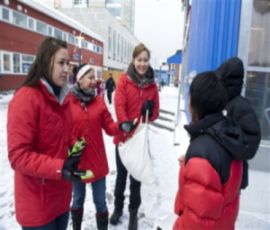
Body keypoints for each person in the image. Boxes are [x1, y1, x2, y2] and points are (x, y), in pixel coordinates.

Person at [7, 37, 84, 230]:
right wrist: (60, 167)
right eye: (61, 63)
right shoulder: (26, 99)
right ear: (45, 61)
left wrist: (75, 147)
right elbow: (18, 156)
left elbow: (64, 137)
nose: (67, 69)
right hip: (37, 206)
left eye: (68, 63)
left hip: (61, 199)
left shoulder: (63, 99)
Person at [174, 71, 247, 229]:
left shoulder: (203, 153)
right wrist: (190, 163)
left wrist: (195, 163)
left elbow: (197, 223)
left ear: (197, 103)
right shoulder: (227, 134)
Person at [68, 64, 132, 230]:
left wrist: (121, 126)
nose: (94, 81)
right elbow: (64, 129)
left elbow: (109, 127)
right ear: (80, 80)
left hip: (97, 161)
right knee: (77, 199)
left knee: (100, 202)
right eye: (90, 77)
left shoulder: (99, 102)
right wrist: (73, 143)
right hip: (77, 162)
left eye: (94, 77)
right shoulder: (69, 102)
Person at [110, 43, 159, 230]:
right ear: (133, 59)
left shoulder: (152, 86)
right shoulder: (124, 80)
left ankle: (133, 214)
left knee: (136, 180)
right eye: (139, 59)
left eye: (145, 60)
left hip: (139, 140)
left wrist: (149, 110)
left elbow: (155, 112)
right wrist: (123, 121)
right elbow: (119, 103)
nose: (142, 63)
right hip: (123, 139)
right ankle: (118, 208)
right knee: (121, 178)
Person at [215, 57, 261, 189]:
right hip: (215, 172)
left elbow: (250, 144)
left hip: (232, 176)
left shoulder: (241, 106)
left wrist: (224, 137)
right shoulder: (219, 103)